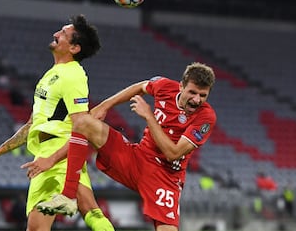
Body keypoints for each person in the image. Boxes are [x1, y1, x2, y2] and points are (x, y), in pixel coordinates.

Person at [34, 62, 216, 231]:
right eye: (192, 92)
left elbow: (173, 153)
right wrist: (106, 105)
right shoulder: (164, 86)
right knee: (83, 123)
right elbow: (141, 86)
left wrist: (148, 116)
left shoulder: (206, 118)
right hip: (136, 158)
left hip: (165, 178)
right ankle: (67, 197)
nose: (197, 100)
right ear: (181, 86)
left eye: (203, 95)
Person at [0, 14, 115, 231]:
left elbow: (83, 128)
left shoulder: (74, 76)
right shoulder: (51, 75)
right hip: (43, 157)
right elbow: (33, 124)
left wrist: (52, 159)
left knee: (89, 209)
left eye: (63, 33)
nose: (56, 34)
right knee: (42, 226)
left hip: (60, 155)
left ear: (74, 48)